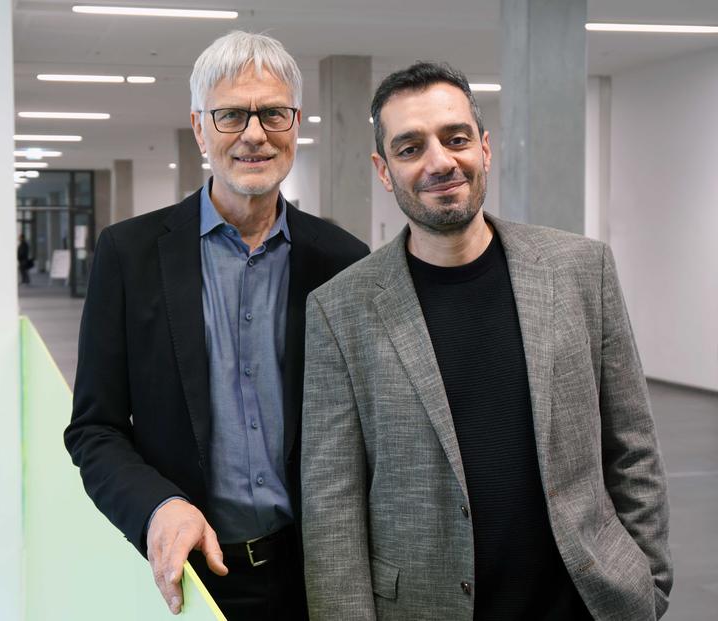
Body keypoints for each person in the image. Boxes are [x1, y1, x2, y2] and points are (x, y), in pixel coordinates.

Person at [300, 62, 672, 620]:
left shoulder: (580, 269)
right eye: (410, 148)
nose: (440, 162)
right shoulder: (340, 309)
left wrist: (647, 577)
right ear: (383, 170)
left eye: (456, 139)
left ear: (485, 148)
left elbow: (632, 445)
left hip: (583, 605)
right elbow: (333, 506)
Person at [64, 31, 367, 620]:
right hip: (191, 581)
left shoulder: (344, 263)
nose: (254, 134)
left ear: (296, 125)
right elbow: (95, 431)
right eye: (230, 115)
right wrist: (158, 507)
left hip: (317, 576)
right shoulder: (130, 255)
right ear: (201, 129)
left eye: (273, 113)